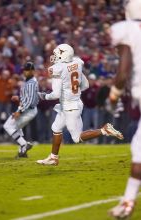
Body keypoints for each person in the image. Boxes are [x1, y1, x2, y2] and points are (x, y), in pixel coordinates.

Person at [36, 43, 123, 166]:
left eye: (57, 55)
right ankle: (53, 157)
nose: (54, 57)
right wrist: (72, 91)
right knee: (56, 128)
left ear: (64, 56)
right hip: (72, 103)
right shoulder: (76, 63)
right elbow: (86, 85)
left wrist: (43, 95)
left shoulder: (58, 69)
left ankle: (104, 130)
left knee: (76, 138)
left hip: (70, 106)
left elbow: (55, 95)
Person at [107, 0, 141, 218]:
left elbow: (123, 71)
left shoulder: (127, 29)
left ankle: (128, 203)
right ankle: (127, 202)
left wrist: (114, 94)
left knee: (138, 154)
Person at [3, 61, 39, 158]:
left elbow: (30, 100)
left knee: (8, 126)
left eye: (28, 70)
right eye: (25, 70)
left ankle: (24, 144)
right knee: (16, 128)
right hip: (26, 108)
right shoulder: (27, 80)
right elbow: (27, 97)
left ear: (32, 71)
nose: (25, 71)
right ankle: (22, 152)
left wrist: (19, 111)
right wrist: (19, 97)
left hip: (28, 110)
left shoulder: (32, 82)